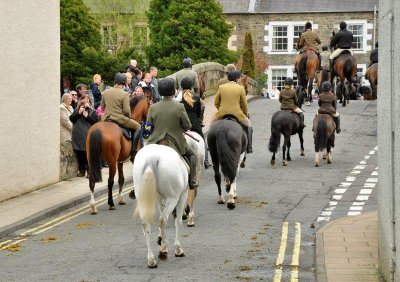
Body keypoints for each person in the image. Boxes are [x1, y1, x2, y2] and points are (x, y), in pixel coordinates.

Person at [144, 77, 199, 188]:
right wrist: (182, 128)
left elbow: (148, 127)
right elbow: (187, 125)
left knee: (143, 158)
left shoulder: (153, 107)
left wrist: (149, 133)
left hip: (155, 140)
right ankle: (192, 180)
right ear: (173, 91)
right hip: (175, 141)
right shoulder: (179, 106)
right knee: (192, 155)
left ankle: (137, 185)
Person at [101, 73, 141, 162]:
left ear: (115, 81)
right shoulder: (124, 94)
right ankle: (133, 151)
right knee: (138, 126)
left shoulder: (106, 92)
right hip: (119, 119)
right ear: (124, 83)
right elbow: (127, 111)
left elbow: (103, 107)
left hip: (106, 118)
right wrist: (129, 116)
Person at [213, 70, 253, 153]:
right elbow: (244, 105)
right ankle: (249, 147)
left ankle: (210, 145)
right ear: (237, 79)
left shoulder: (221, 87)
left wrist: (221, 109)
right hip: (237, 114)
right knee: (249, 125)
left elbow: (216, 102)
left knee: (211, 125)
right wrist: (244, 115)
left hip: (222, 113)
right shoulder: (240, 88)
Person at [180, 77, 212, 168]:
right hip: (194, 124)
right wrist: (198, 119)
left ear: (181, 87)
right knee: (202, 139)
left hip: (182, 125)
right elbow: (199, 111)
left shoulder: (178, 99)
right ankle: (206, 160)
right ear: (191, 87)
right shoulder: (197, 98)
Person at [70, 94, 99, 177]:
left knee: (88, 154)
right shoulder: (76, 110)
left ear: (90, 102)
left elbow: (95, 122)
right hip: (78, 136)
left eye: (87, 101)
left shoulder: (92, 111)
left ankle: (90, 171)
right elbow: (71, 119)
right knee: (80, 154)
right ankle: (81, 171)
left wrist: (87, 116)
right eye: (83, 102)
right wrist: (79, 113)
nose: (85, 103)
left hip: (88, 135)